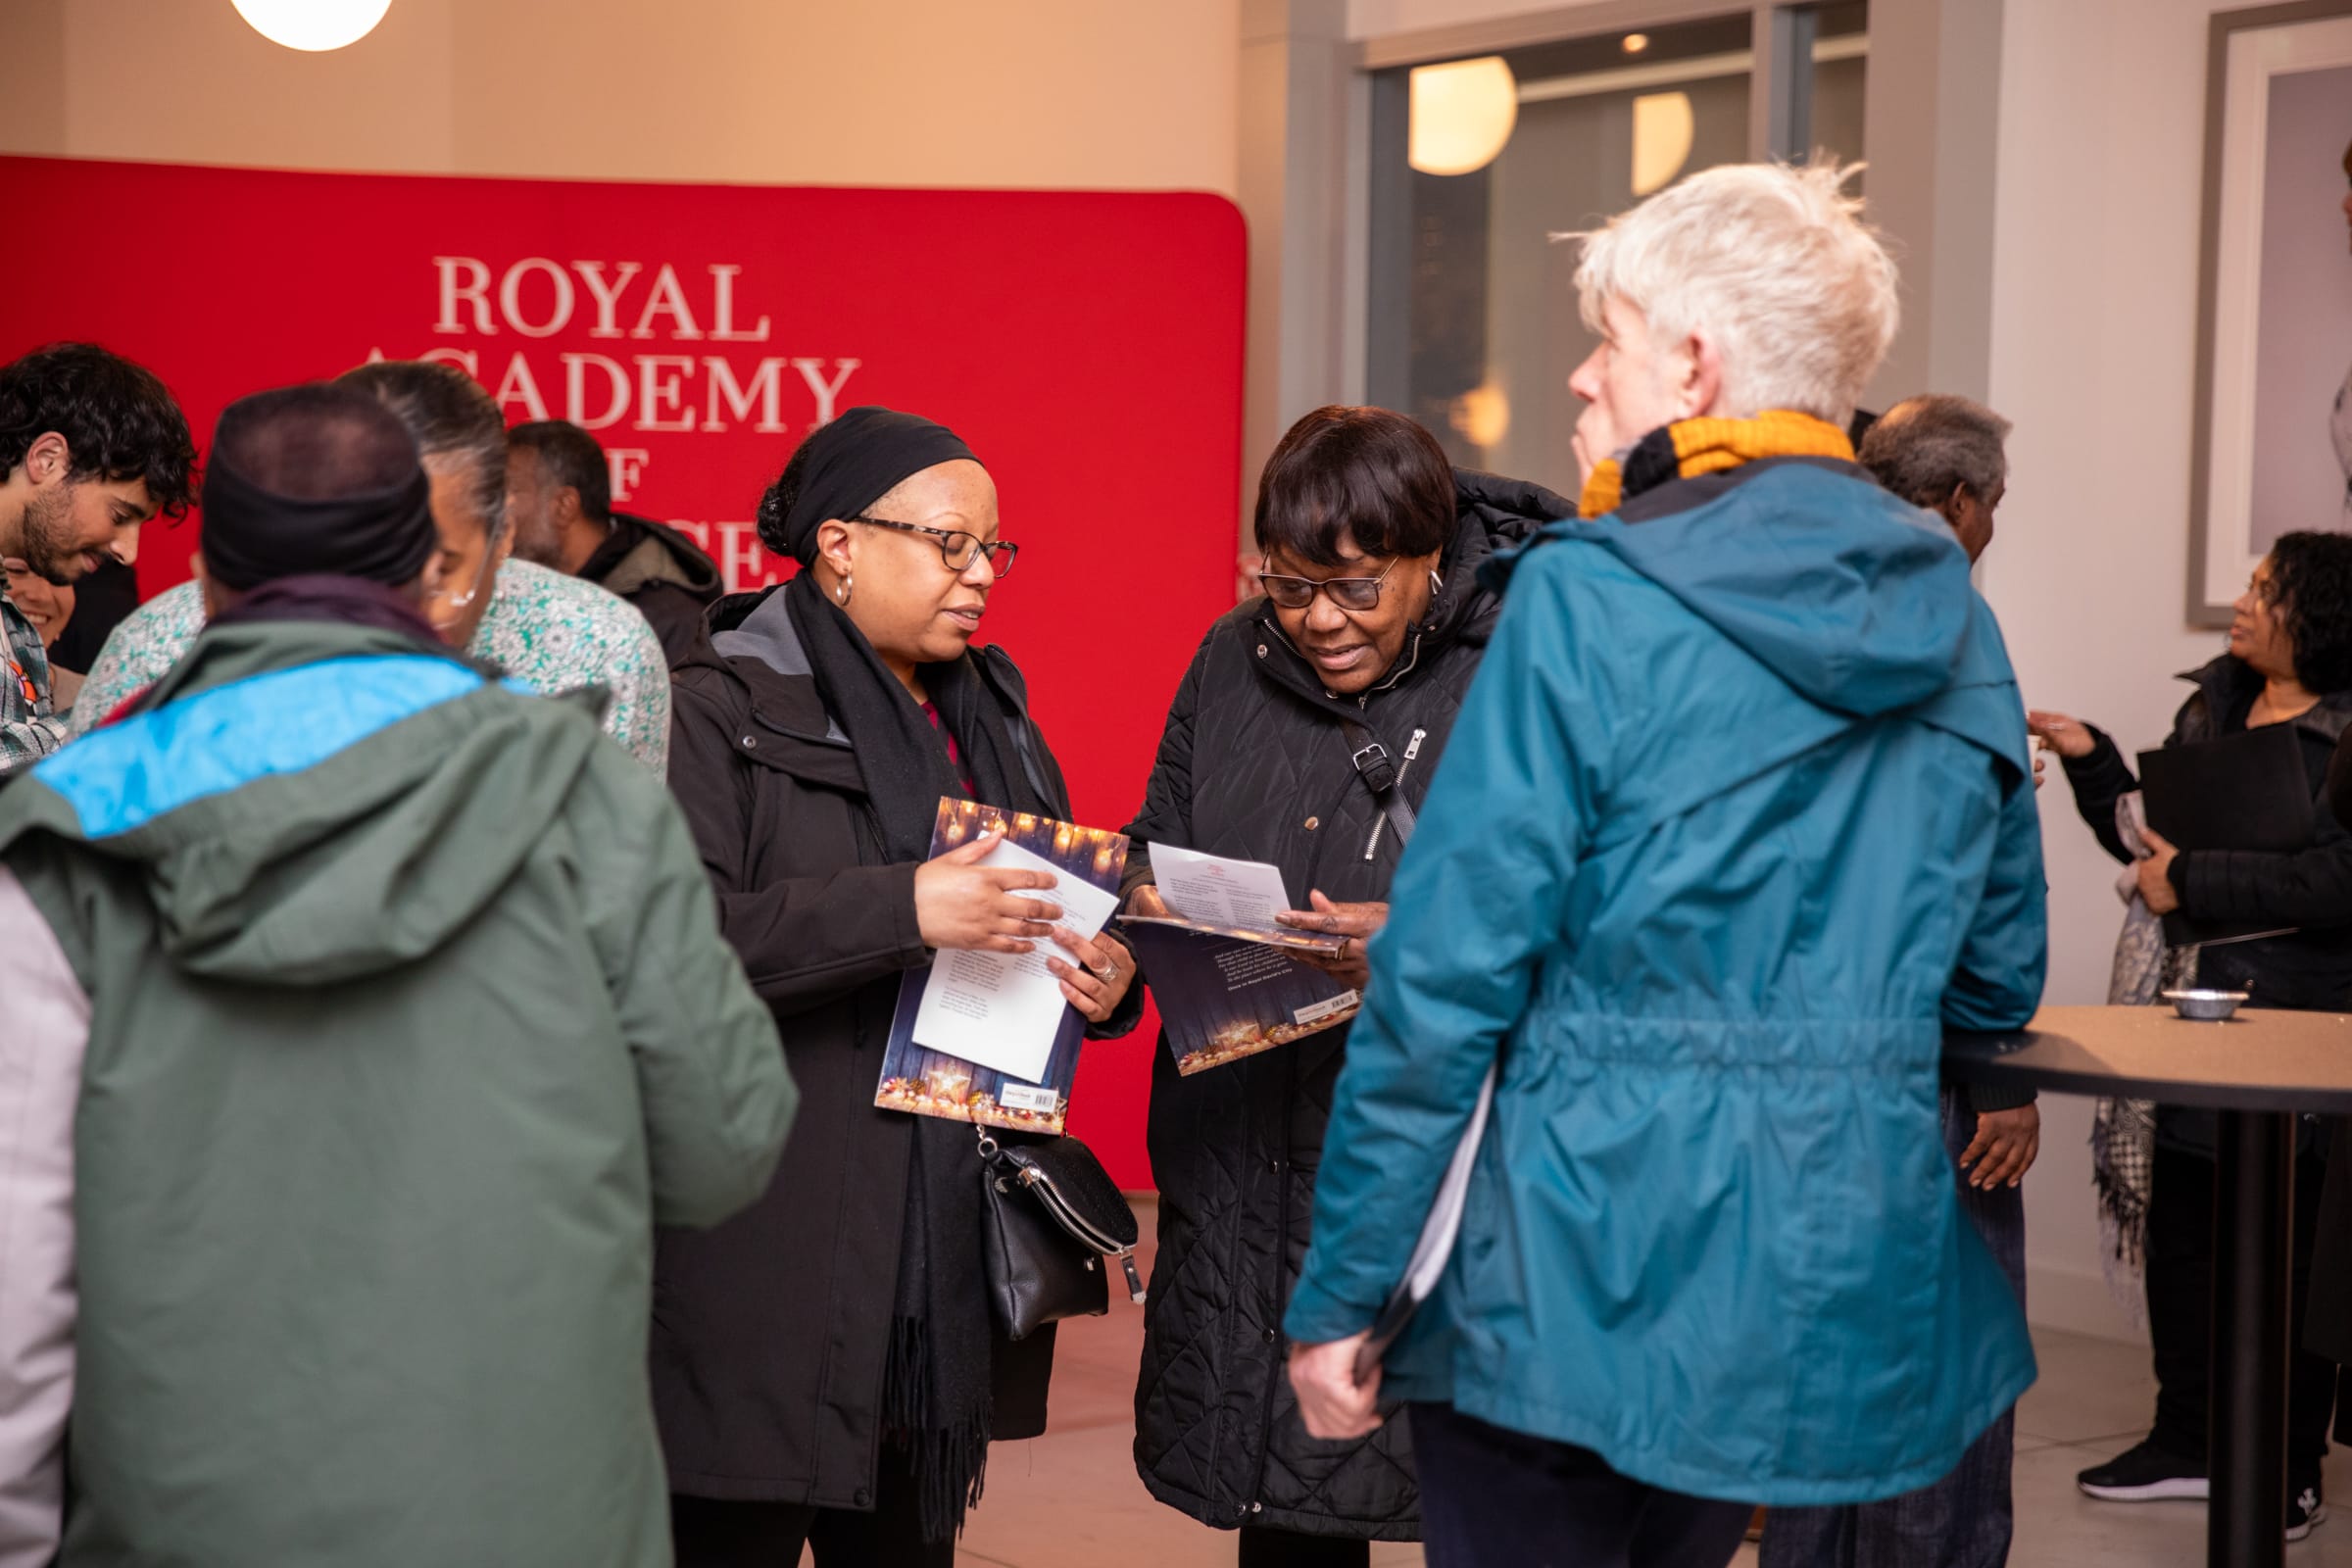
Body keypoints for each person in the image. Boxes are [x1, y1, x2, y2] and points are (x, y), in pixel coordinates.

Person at [1279, 162, 2046, 1568]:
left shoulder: (1591, 595)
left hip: (1569, 1267)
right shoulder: (1961, 621)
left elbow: (1446, 981)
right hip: (1821, 1273)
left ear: (1693, 368)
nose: (1581, 377)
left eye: (1609, 341)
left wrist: (1346, 1288)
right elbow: (1998, 977)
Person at [0, 381, 797, 1568]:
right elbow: (724, 1140)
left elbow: (17, 1285)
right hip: (536, 1512)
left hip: (191, 1515)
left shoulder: (62, 828)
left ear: (210, 584)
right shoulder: (584, 792)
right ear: (432, 571)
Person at [658, 406, 1143, 1566]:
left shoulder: (993, 716)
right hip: (761, 1250)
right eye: (949, 543)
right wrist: (902, 908)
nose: (980, 577)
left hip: (933, 1257)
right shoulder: (720, 703)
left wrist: (1103, 975)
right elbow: (670, 948)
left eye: (993, 550)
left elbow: (1039, 913)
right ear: (840, 544)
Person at [1121, 405, 1570, 1565]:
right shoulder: (1229, 656)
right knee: (1288, 1515)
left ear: (1434, 553)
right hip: (1243, 1159)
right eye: (1288, 584)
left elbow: (1610, 915)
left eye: (1357, 587)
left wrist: (1423, 947)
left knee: (1482, 1506)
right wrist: (1135, 929)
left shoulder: (1530, 663)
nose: (1318, 618)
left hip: (1442, 1177)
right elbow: (1153, 844)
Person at [1758, 392, 2036, 1568]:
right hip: (1914, 1064)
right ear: (1964, 501)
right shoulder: (1955, 622)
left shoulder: (1789, 602)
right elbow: (1988, 867)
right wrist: (1995, 1060)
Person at [2034, 531, 2352, 1541]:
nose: (2242, 605)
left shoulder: (2349, 737)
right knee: (2182, 1227)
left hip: (2303, 1014)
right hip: (2185, 1007)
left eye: (2265, 589)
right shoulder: (2210, 701)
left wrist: (2194, 882)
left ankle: (2287, 1464)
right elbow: (2151, 840)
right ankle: (2184, 1439)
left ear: (2321, 612)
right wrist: (2096, 767)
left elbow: (2339, 886)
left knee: (2291, 1250)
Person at [74, 361, 674, 771]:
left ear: (504, 536)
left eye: (440, 566)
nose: (396, 607)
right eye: (366, 554)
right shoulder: (158, 651)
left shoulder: (601, 650)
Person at [0, 342, 194, 770]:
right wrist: (128, 717)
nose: (128, 551)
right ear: (47, 460)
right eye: (120, 514)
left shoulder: (13, 617)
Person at [508, 417, 722, 663]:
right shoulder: (511, 598)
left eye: (508, 492)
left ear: (564, 506)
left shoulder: (670, 622)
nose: (493, 510)